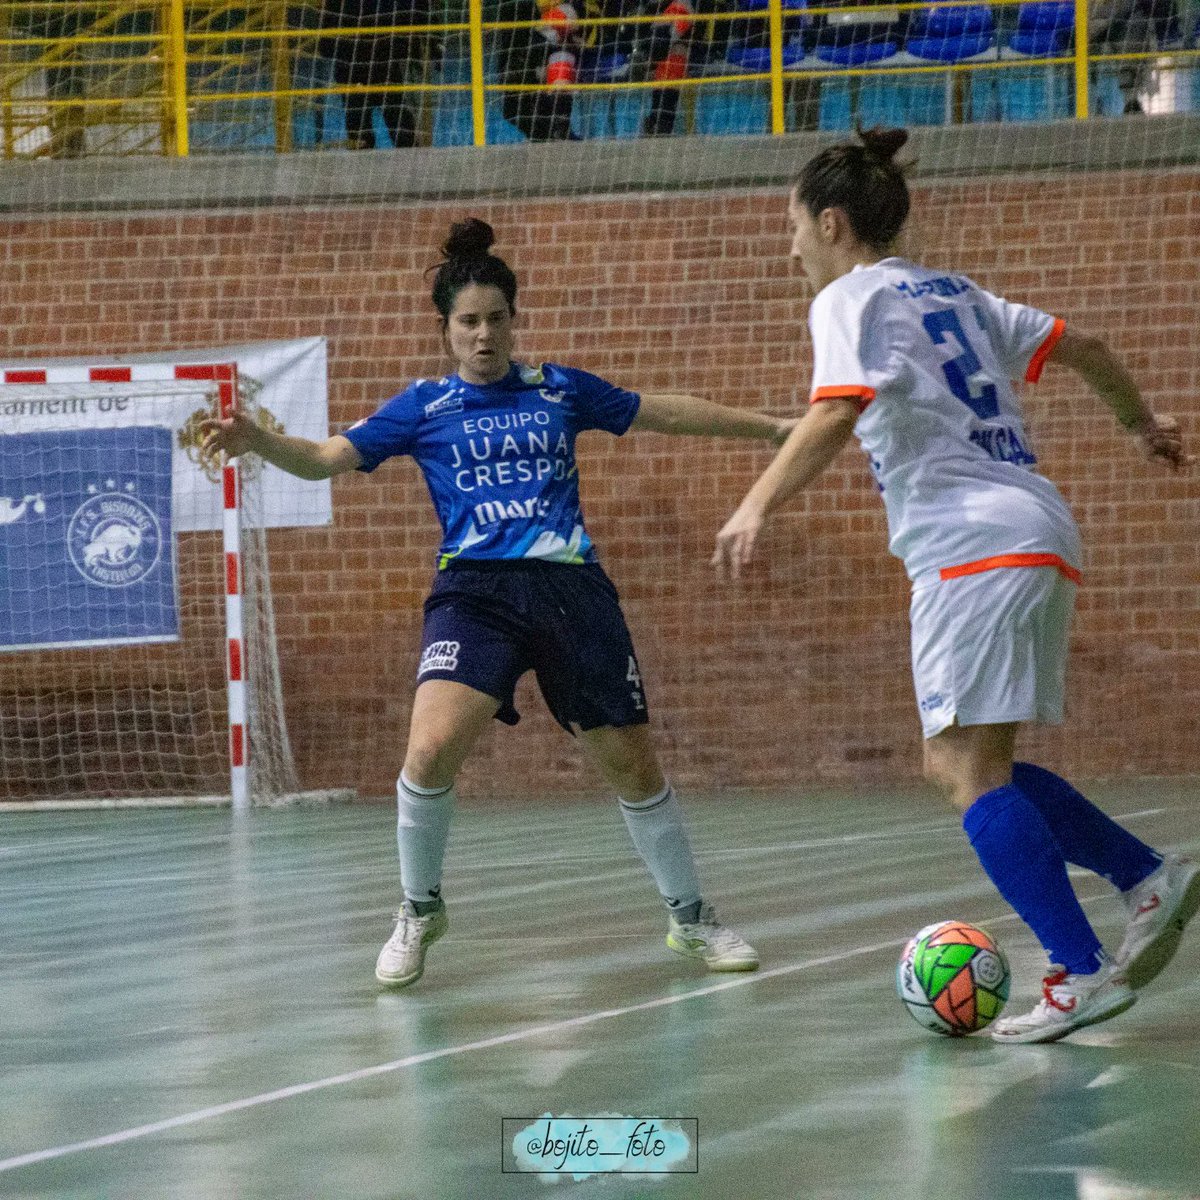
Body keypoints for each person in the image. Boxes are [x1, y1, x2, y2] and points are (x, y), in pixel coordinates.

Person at [202, 217, 795, 989]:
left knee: (631, 765)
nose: (483, 334)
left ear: (515, 320)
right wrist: (259, 439)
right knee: (427, 751)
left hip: (569, 589)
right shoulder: (423, 407)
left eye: (495, 319)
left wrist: (775, 431)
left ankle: (691, 918)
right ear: (447, 330)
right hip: (474, 592)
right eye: (468, 322)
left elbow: (666, 410)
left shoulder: (561, 389)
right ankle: (419, 910)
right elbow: (321, 461)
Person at [712, 127, 1198, 1045]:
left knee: (958, 769)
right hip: (1040, 531)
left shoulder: (849, 297)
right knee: (985, 765)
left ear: (832, 221)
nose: (791, 250)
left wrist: (757, 504)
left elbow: (835, 410)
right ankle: (1146, 877)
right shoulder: (959, 296)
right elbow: (1084, 342)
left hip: (968, 549)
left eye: (795, 229)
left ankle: (1081, 969)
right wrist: (1141, 422)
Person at [319, 1, 432, 148]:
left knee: (384, 119)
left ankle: (405, 156)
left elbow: (326, 41)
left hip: (366, 61)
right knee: (389, 119)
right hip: (370, 61)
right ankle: (408, 158)